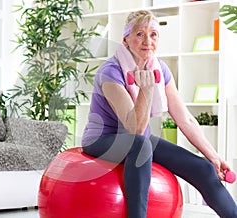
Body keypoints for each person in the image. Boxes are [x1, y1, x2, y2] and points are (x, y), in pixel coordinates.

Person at [81, 10, 237, 218]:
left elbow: (186, 119)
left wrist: (214, 156)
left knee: (204, 169)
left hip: (140, 141)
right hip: (102, 139)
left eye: (153, 34)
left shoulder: (159, 68)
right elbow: (133, 128)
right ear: (126, 39)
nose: (147, 41)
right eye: (139, 34)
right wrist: (146, 90)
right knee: (140, 144)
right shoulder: (110, 72)